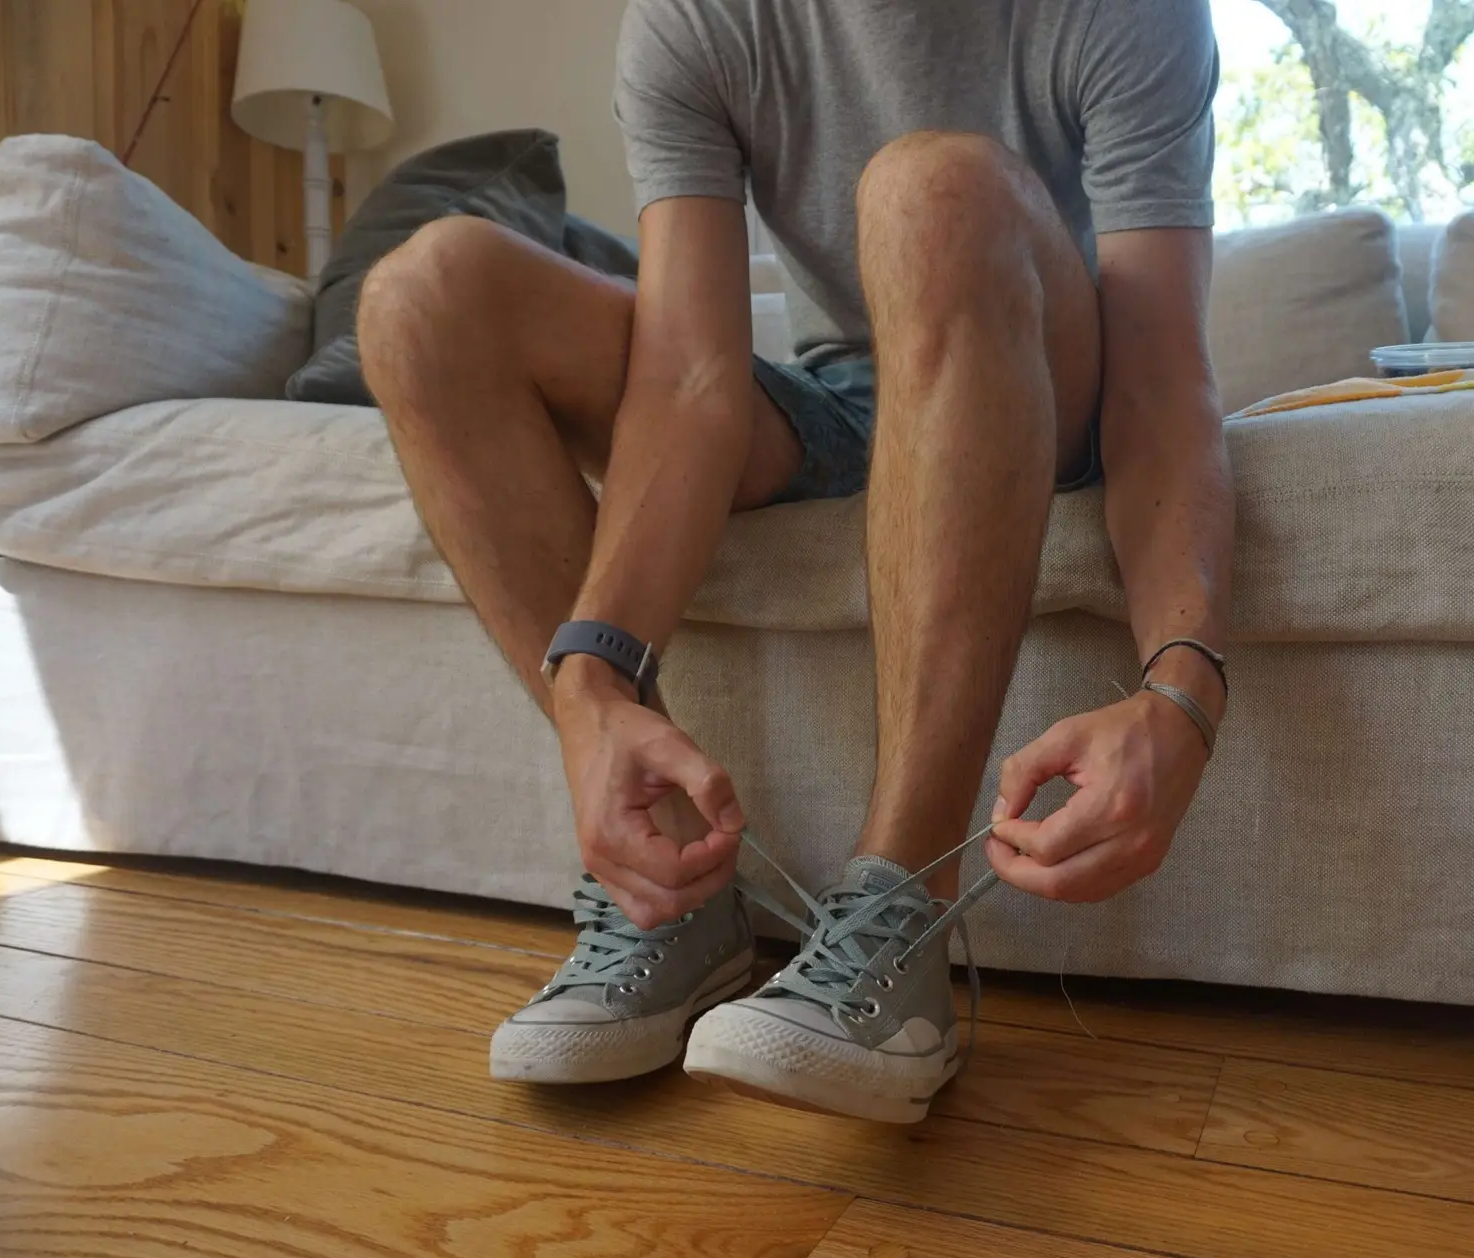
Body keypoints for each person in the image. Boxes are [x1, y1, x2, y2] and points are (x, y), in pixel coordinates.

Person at [355, 0, 1234, 1124]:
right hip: (837, 396)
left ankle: (896, 923)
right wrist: (589, 684)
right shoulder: (700, 20)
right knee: (427, 294)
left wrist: (1181, 689)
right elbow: (690, 379)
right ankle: (670, 899)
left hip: (1040, 376)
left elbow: (1163, 382)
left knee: (932, 190)